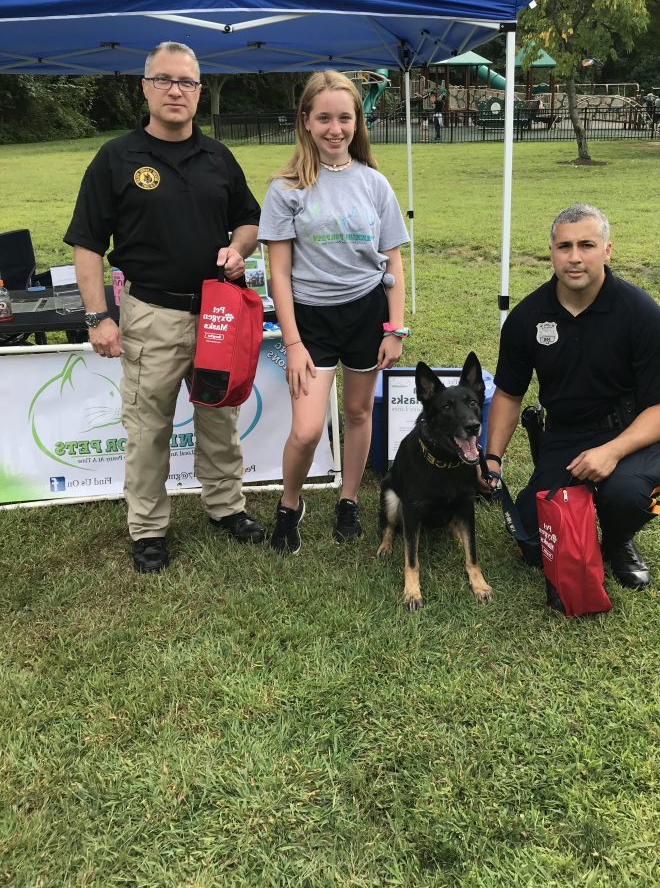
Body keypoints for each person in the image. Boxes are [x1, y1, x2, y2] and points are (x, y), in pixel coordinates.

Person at [64, 41, 265, 574]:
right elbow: (87, 244)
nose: (176, 90)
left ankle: (226, 507)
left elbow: (250, 218)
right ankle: (149, 528)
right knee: (148, 427)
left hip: (216, 314)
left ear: (199, 92)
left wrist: (238, 248)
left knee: (220, 417)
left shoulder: (217, 157)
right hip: (150, 315)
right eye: (165, 80)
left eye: (187, 82)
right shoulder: (117, 157)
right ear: (145, 86)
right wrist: (97, 316)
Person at [484, 203, 660, 590]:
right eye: (564, 247)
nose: (574, 258)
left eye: (587, 245)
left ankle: (617, 540)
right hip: (566, 434)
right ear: (551, 251)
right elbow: (509, 394)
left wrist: (611, 451)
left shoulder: (639, 311)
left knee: (624, 494)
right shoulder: (527, 317)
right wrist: (493, 460)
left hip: (629, 432)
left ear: (607, 251)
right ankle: (577, 512)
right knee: (530, 539)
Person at [258, 70, 409, 555]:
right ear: (305, 121)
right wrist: (294, 342)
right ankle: (289, 503)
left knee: (358, 411)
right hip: (310, 322)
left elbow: (393, 261)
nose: (335, 128)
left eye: (345, 117)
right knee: (305, 430)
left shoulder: (374, 183)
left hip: (366, 314)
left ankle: (348, 499)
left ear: (357, 122)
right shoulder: (285, 189)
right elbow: (278, 274)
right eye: (323, 117)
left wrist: (395, 328)